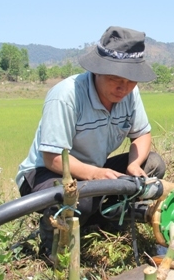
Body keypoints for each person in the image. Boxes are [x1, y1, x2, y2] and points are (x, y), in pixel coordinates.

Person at [15, 26, 166, 256]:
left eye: (131, 81)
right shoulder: (66, 96)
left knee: (153, 164)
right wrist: (95, 175)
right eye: (115, 79)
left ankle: (107, 220)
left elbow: (142, 134)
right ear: (97, 70)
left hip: (94, 169)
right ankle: (51, 244)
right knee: (80, 199)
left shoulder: (128, 94)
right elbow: (52, 158)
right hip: (44, 172)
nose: (122, 88)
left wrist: (133, 165)